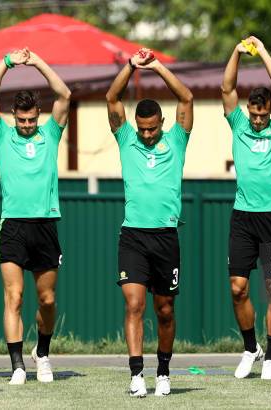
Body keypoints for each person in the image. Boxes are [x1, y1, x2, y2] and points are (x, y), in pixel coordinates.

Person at [105, 48, 193, 397]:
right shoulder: (126, 139)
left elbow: (185, 96)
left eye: (151, 129)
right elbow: (112, 97)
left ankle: (165, 372)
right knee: (134, 304)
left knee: (165, 309)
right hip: (133, 236)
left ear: (162, 124)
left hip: (166, 237)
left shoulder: (177, 140)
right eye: (142, 129)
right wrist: (130, 66)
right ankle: (137, 374)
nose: (146, 135)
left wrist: (156, 65)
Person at [0, 48, 71, 385]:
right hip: (14, 226)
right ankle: (18, 365)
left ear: (38, 115)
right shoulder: (3, 135)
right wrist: (6, 63)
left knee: (47, 299)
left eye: (32, 119)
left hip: (45, 225)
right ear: (13, 116)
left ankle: (42, 353)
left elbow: (64, 93)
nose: (27, 125)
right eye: (21, 120)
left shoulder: (50, 134)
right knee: (14, 296)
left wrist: (36, 63)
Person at [221, 36, 271, 380]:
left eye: (262, 115)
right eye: (254, 114)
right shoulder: (239, 124)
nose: (257, 120)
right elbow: (226, 87)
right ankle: (252, 348)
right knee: (238, 288)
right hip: (243, 218)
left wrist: (262, 50)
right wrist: (237, 52)